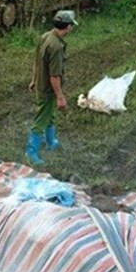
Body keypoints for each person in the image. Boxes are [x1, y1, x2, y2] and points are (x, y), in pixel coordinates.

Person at [26, 10, 78, 166]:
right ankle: (31, 152)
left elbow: (37, 61)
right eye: (71, 26)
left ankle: (51, 142)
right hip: (48, 89)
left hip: (41, 84)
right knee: (42, 118)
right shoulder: (56, 46)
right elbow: (54, 75)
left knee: (50, 115)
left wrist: (34, 79)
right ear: (67, 27)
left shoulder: (46, 36)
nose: (71, 29)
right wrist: (60, 97)